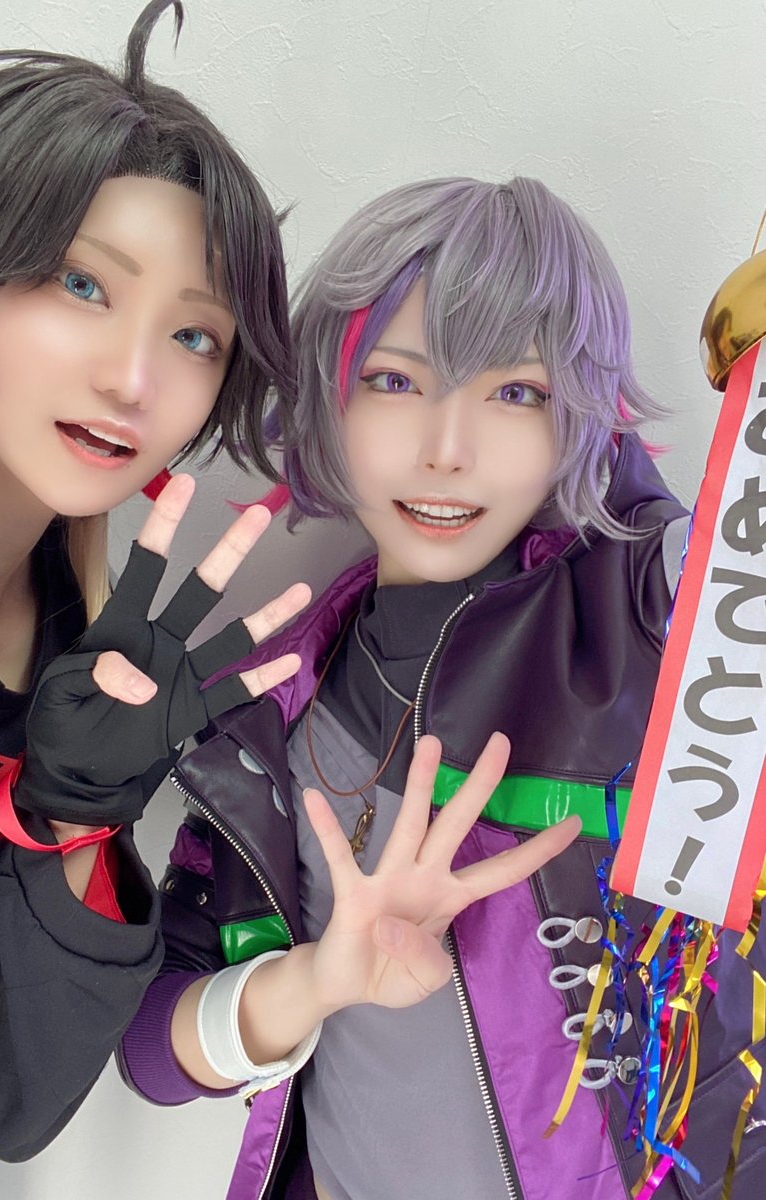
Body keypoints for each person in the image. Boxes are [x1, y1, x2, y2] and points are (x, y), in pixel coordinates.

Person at [119, 176, 765, 1199]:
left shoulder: (652, 614)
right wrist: (318, 978)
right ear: (330, 398)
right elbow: (154, 1052)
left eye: (517, 393)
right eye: (394, 380)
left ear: (582, 419)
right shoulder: (273, 708)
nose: (446, 452)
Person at [0, 2, 312, 1197]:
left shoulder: (81, 671)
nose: (135, 377)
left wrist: (72, 819)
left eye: (197, 335)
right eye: (80, 283)